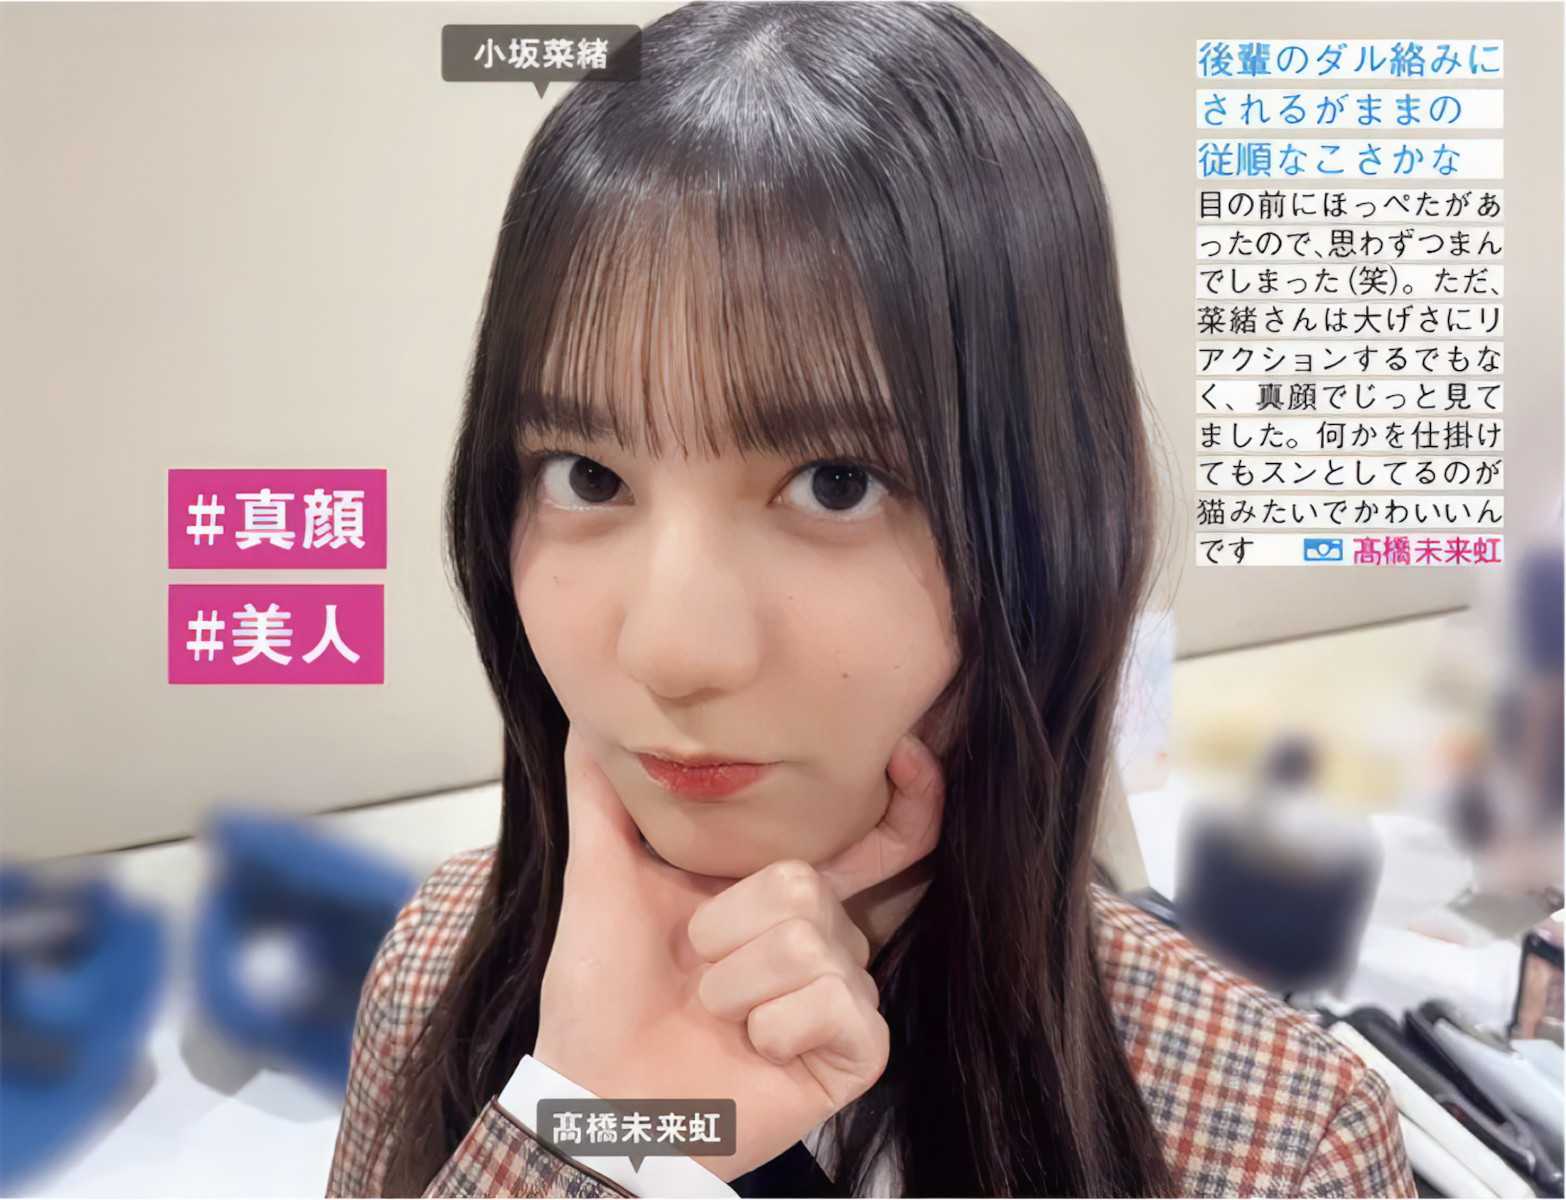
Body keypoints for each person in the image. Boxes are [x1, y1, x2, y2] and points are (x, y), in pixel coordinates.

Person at [326, 2, 1418, 1195]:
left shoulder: (1275, 1141)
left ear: (1048, 524)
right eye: (588, 475)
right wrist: (596, 1130)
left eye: (834, 483)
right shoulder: (437, 965)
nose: (671, 649)